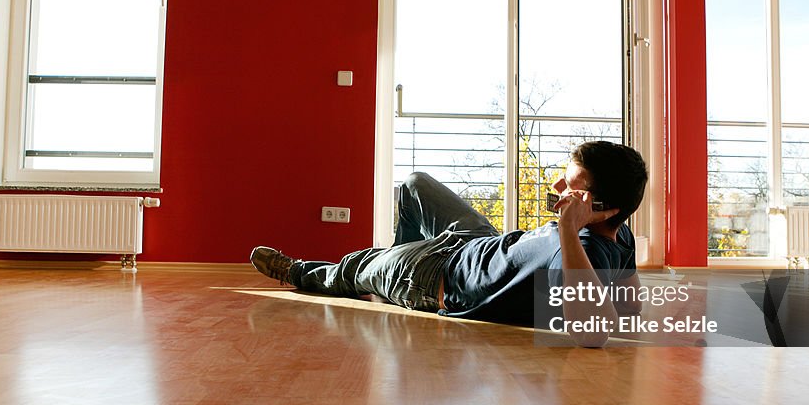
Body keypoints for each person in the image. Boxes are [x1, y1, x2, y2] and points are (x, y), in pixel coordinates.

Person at [251, 141, 647, 347]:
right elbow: (631, 305)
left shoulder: (581, 251)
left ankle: (302, 270)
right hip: (477, 240)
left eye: (570, 188)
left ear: (604, 208)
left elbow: (595, 334)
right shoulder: (620, 234)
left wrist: (567, 228)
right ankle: (389, 267)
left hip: (435, 276)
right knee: (414, 185)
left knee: (356, 266)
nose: (557, 189)